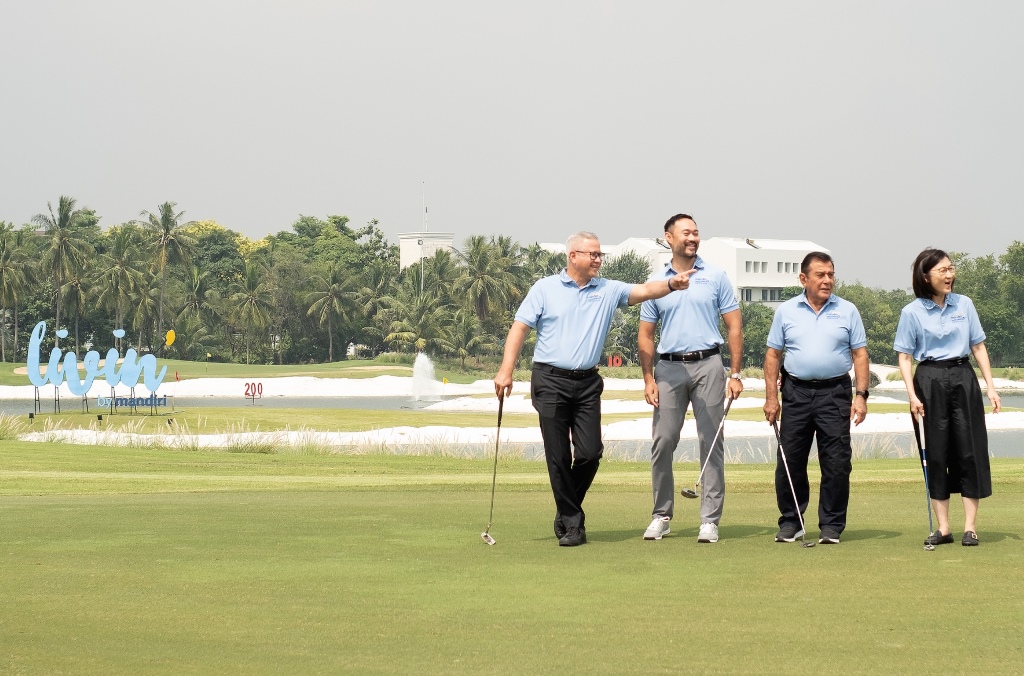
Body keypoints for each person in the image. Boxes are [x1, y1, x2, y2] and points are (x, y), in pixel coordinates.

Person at [494, 231, 694, 546]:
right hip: (550, 380)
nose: (598, 259)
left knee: (589, 454)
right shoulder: (544, 289)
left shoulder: (608, 289)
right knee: (558, 456)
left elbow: (643, 290)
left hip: (587, 383)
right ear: (573, 256)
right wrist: (506, 371)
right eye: (593, 254)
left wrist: (671, 284)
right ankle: (574, 525)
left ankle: (565, 510)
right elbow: (519, 327)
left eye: (600, 254)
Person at [638, 214, 743, 544]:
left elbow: (734, 327)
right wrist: (647, 378)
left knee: (710, 441)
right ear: (669, 237)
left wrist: (736, 373)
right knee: (663, 441)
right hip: (668, 369)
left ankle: (709, 520)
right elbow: (645, 335)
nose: (693, 238)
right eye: (686, 233)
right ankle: (661, 515)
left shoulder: (715, 277)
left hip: (709, 364)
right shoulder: (657, 282)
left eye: (696, 232)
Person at [894, 248, 1001, 547]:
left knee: (969, 450)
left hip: (963, 377)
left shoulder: (964, 304)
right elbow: (904, 357)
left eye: (951, 269)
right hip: (929, 380)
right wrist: (912, 395)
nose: (949, 275)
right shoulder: (911, 312)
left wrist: (990, 387)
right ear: (925, 276)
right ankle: (943, 528)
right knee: (936, 453)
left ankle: (970, 527)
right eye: (942, 270)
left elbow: (978, 346)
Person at [763, 251, 869, 545]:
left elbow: (860, 354)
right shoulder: (786, 311)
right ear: (803, 279)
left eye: (831, 274)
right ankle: (791, 522)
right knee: (789, 461)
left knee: (836, 462)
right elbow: (773, 355)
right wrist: (772, 397)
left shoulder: (848, 310)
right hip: (795, 392)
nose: (827, 280)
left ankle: (832, 525)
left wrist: (861, 396)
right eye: (820, 275)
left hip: (835, 393)